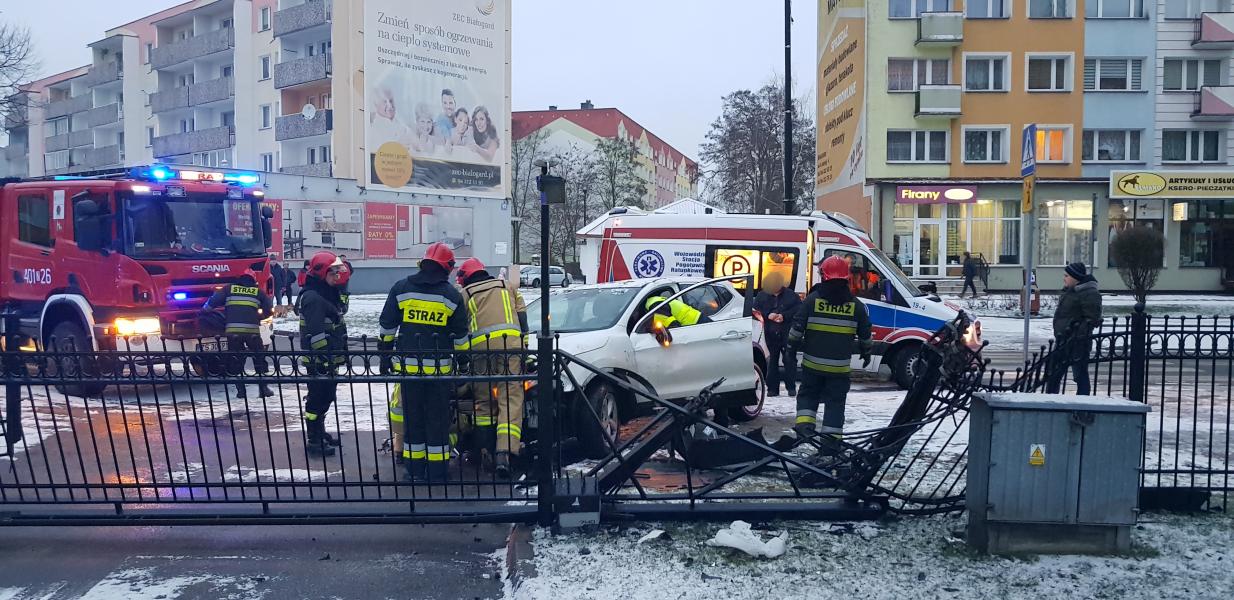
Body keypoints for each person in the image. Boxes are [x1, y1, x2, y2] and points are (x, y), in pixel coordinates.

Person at [378, 242, 469, 483]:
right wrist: (463, 362)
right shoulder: (451, 295)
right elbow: (461, 337)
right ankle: (437, 473)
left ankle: (414, 471)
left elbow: (387, 326)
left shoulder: (401, 288)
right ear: (447, 268)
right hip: (439, 373)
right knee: (437, 422)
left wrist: (385, 355)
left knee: (413, 419)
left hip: (409, 370)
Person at [788, 256, 872, 451]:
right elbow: (866, 336)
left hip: (812, 367)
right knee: (835, 404)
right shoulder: (856, 306)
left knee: (808, 396)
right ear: (846, 278)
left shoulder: (811, 301)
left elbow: (796, 331)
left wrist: (790, 350)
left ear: (824, 277)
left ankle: (805, 430)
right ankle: (830, 443)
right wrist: (866, 352)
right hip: (839, 370)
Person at [456, 258, 528, 479]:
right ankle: (504, 455)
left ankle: (484, 450)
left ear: (466, 277)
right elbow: (523, 318)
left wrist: (463, 359)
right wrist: (524, 347)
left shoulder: (465, 294)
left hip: (481, 351)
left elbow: (460, 328)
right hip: (510, 348)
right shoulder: (508, 286)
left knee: (484, 401)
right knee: (510, 399)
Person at [297, 252, 351, 457]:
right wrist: (325, 361)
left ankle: (320, 432)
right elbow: (316, 334)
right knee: (317, 400)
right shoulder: (313, 297)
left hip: (327, 359)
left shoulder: (323, 293)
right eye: (333, 273)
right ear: (322, 273)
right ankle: (314, 439)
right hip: (319, 361)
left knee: (326, 397)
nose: (337, 277)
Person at [203, 273, 275, 399]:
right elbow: (269, 309)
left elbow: (210, 304)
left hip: (233, 332)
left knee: (236, 360)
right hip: (252, 332)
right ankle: (263, 389)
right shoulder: (257, 292)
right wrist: (259, 317)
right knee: (259, 358)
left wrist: (205, 311)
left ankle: (241, 391)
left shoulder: (229, 289)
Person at [1046, 262, 1103, 396]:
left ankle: (1082, 403)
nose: (1064, 278)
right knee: (1053, 373)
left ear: (1075, 278)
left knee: (1080, 374)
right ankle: (1050, 400)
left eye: (1067, 276)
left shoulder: (1088, 293)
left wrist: (1076, 333)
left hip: (1078, 342)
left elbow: (1092, 319)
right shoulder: (1069, 291)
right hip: (1063, 340)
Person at [753, 271, 802, 397]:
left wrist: (783, 316)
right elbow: (755, 309)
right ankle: (772, 389)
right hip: (769, 334)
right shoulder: (762, 295)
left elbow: (798, 309)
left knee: (789, 360)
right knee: (772, 362)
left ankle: (791, 387)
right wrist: (768, 314)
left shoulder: (791, 296)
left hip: (787, 333)